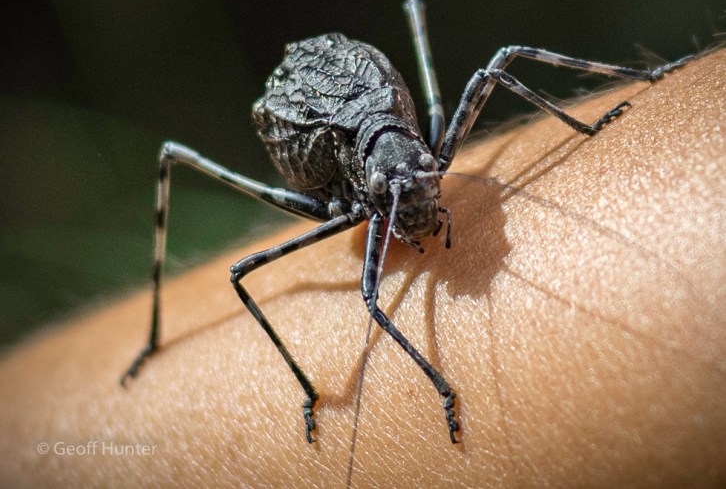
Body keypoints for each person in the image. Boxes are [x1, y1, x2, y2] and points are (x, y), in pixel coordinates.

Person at [0, 52, 723, 487]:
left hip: (372, 110)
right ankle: (165, 340)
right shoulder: (358, 205)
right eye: (404, 199)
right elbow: (372, 306)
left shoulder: (424, 155)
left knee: (499, 63)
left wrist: (606, 116)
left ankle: (636, 85)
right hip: (320, 136)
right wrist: (441, 389)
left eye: (427, 186)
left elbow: (503, 69)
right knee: (221, 231)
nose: (420, 204)